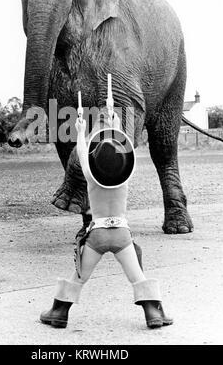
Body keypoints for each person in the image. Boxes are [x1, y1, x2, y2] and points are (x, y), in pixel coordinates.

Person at [40, 110, 173, 329]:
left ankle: (58, 312)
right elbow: (123, 150)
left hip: (98, 234)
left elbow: (82, 153)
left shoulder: (91, 175)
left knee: (79, 277)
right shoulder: (125, 175)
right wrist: (116, 126)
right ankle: (153, 313)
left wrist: (81, 131)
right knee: (137, 276)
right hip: (121, 233)